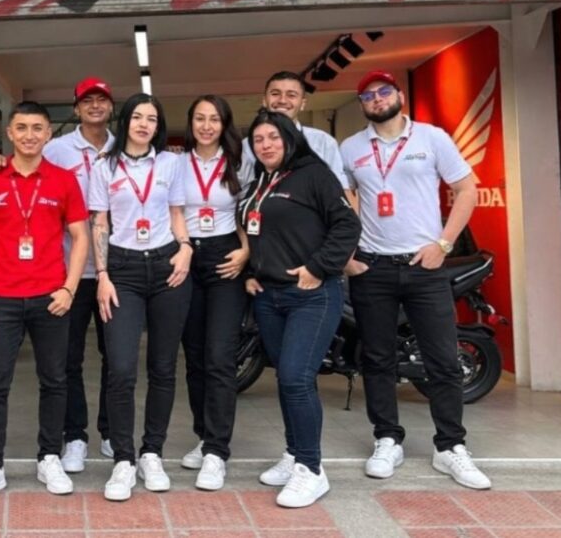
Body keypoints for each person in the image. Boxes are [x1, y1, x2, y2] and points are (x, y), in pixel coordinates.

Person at [339, 70, 490, 490]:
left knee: (442, 359)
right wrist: (348, 254)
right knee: (377, 359)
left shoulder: (432, 138)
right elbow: (345, 199)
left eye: (384, 91)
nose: (377, 99)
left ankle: (451, 446)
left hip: (425, 266)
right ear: (362, 104)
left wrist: (443, 243)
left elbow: (467, 190)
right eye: (368, 95)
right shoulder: (351, 148)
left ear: (399, 96)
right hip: (373, 268)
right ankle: (387, 439)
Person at [0, 77, 116, 469]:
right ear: (75, 109)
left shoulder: (123, 148)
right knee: (66, 364)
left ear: (111, 107)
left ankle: (111, 431)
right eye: (87, 101)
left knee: (115, 358)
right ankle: (73, 436)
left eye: (102, 100)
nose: (95, 106)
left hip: (113, 270)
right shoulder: (56, 148)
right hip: (64, 272)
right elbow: (22, 161)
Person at [0, 101, 90, 504]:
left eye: (37, 128)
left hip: (50, 297)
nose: (30, 135)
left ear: (48, 134)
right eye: (22, 128)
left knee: (54, 380)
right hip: (0, 296)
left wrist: (69, 288)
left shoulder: (64, 180)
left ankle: (49, 456)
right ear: (10, 133)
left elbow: (81, 236)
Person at [240, 109, 361, 508]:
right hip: (269, 297)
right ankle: (294, 454)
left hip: (312, 295)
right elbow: (261, 231)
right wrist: (253, 272)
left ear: (290, 139)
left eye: (273, 137)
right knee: (287, 379)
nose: (266, 145)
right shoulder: (261, 181)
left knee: (296, 377)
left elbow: (347, 225)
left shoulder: (314, 175)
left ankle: (311, 469)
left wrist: (318, 267)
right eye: (259, 140)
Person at [88, 93, 193, 502]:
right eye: (137, 117)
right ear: (125, 121)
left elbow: (177, 212)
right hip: (123, 270)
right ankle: (123, 459)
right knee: (121, 368)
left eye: (152, 118)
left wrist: (185, 247)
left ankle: (152, 452)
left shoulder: (171, 163)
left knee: (163, 367)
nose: (144, 124)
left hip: (167, 265)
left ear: (158, 125)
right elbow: (100, 221)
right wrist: (102, 275)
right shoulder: (105, 166)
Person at [176, 95, 249, 491]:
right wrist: (182, 246)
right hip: (186, 257)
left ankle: (218, 452)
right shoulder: (174, 162)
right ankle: (204, 437)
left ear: (225, 124)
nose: (206, 126)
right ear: (190, 122)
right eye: (200, 118)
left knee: (220, 356)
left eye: (214, 119)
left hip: (226, 258)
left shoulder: (240, 161)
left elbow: (249, 211)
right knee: (195, 357)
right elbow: (171, 209)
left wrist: (247, 252)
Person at [241, 71, 349, 189]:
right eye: (275, 94)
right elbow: (242, 190)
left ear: (302, 104)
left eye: (291, 95)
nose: (282, 100)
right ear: (264, 101)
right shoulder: (247, 145)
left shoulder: (323, 141)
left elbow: (341, 189)